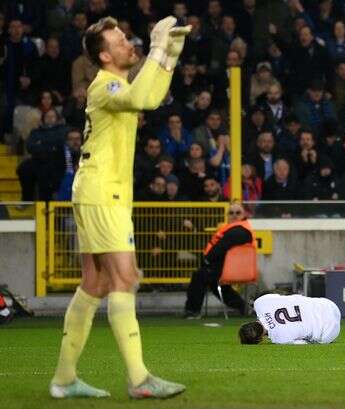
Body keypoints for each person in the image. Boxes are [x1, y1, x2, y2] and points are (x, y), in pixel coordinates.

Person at [49, 16, 191, 399]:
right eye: (121, 40)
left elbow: (151, 94)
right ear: (105, 55)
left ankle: (64, 379)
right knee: (125, 279)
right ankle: (139, 379)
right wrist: (159, 50)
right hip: (102, 193)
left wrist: (169, 54)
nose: (130, 43)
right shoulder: (108, 85)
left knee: (94, 284)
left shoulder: (116, 84)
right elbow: (144, 98)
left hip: (97, 191)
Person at [184, 202, 255, 318]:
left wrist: (206, 260)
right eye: (231, 213)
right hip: (228, 268)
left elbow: (220, 247)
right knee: (215, 284)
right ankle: (242, 306)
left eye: (238, 213)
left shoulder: (239, 231)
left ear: (244, 214)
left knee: (199, 276)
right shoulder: (239, 229)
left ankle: (192, 311)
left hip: (230, 269)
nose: (234, 215)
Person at [238, 293, 341, 345]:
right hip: (327, 304)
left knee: (314, 340)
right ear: (249, 322)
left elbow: (304, 343)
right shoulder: (260, 303)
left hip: (330, 331)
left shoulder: (280, 339)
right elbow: (281, 295)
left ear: (259, 339)